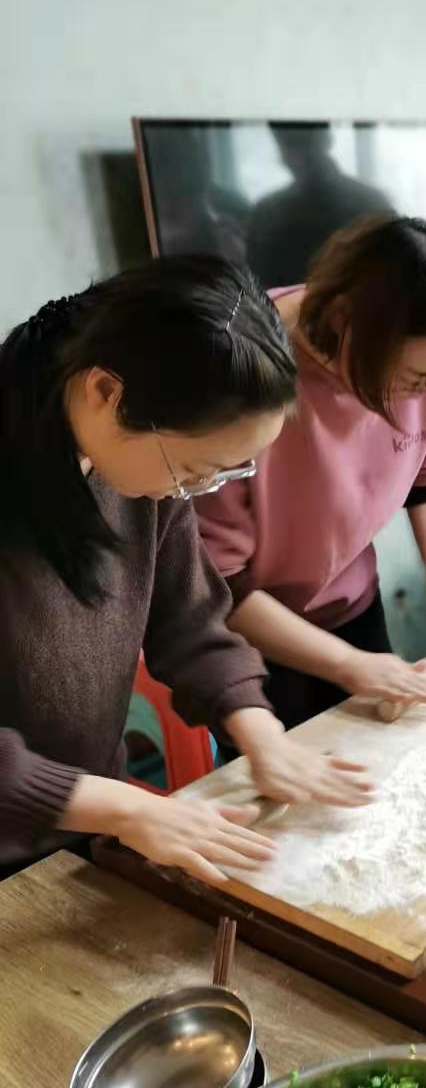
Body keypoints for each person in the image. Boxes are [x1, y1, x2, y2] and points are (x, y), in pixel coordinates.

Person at [0, 257, 373, 882]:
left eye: (225, 473)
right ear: (106, 393)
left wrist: (259, 730)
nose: (194, 491)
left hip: (81, 827)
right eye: (195, 470)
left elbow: (188, 617)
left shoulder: (140, 469)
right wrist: (124, 807)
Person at [196, 215, 426, 734]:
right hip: (252, 631)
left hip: (352, 605)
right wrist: (346, 665)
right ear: (344, 321)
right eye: (418, 380)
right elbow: (220, 582)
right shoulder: (243, 370)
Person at [246, 124, 393, 289]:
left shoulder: (267, 214)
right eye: (289, 144)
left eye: (301, 143)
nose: (296, 156)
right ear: (327, 138)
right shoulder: (373, 202)